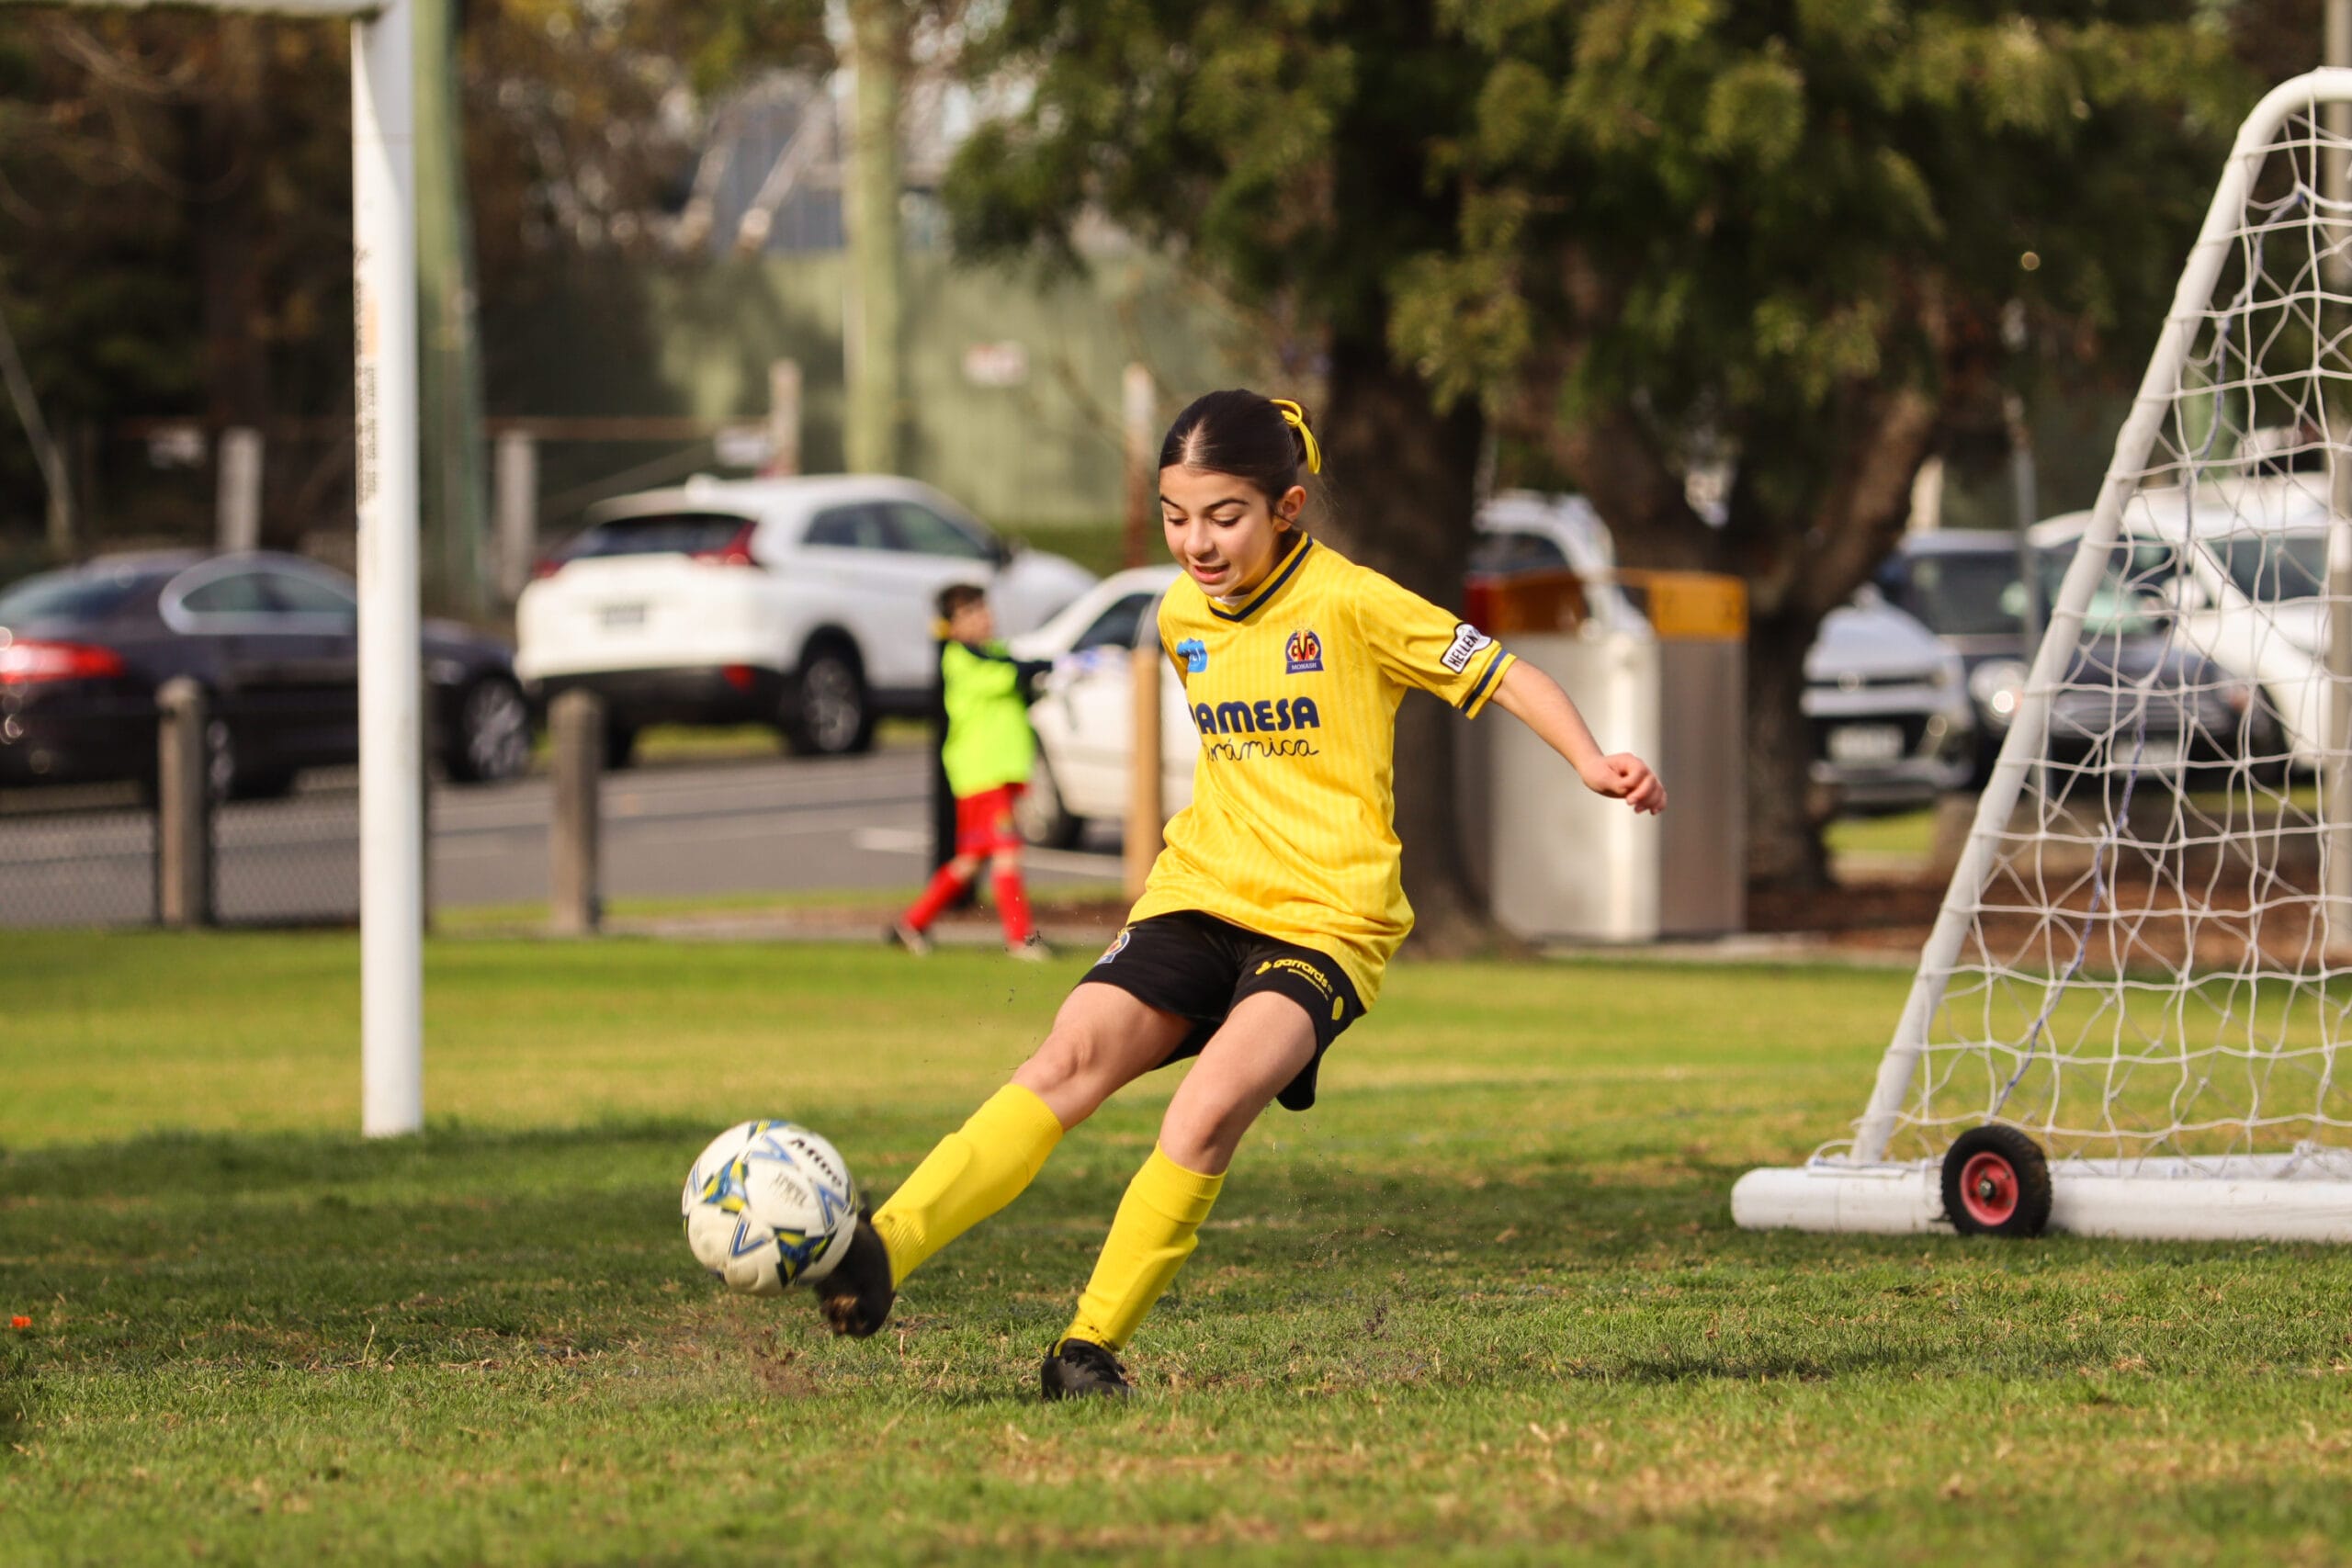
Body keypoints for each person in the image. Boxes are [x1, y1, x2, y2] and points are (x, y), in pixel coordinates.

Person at [821, 389, 1665, 1398]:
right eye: (1176, 517)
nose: (1197, 543)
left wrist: (1591, 759)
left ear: (1286, 507)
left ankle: (1088, 1347)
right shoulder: (1180, 614)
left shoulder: (1354, 602)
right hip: (1199, 891)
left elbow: (1504, 671)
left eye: (1224, 517)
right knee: (1065, 1059)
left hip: (1326, 922)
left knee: (1205, 1111)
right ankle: (883, 1249)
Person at [892, 582, 1055, 960]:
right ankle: (1020, 939)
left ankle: (911, 924)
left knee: (971, 859)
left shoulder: (995, 652)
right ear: (951, 624)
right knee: (1007, 852)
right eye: (971, 612)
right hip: (983, 774)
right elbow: (1005, 676)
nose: (983, 617)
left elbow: (1017, 678)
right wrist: (1039, 667)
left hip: (1001, 772)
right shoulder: (960, 661)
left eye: (983, 608)